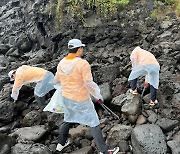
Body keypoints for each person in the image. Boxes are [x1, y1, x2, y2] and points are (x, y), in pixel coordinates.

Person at [55, 39, 119, 154]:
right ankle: (103, 151)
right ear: (79, 49)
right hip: (81, 98)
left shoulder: (61, 63)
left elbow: (57, 81)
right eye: (82, 48)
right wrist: (97, 96)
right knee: (93, 122)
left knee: (68, 119)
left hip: (67, 97)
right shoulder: (82, 64)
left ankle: (61, 144)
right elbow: (88, 83)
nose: (83, 50)